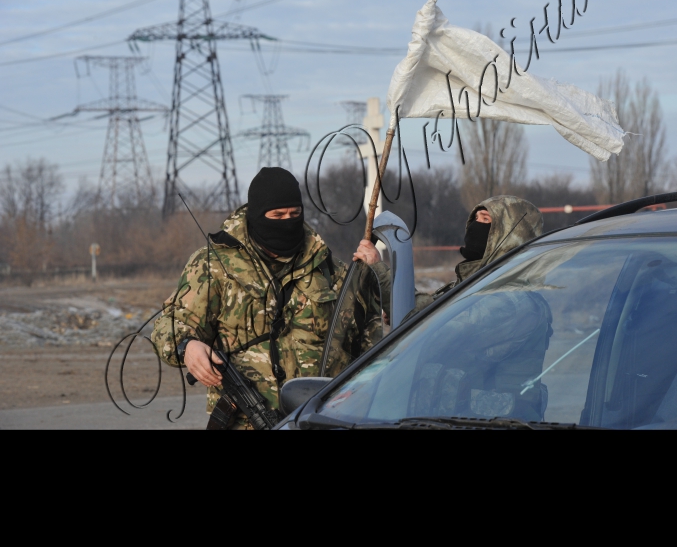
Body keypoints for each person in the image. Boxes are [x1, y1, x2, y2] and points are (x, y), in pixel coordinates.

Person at [151, 167, 381, 429]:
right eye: (278, 215)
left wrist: (375, 275)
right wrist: (187, 347)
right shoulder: (213, 265)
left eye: (295, 214)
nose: (288, 221)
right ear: (258, 216)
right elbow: (167, 326)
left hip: (318, 418)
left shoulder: (326, 267)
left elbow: (374, 331)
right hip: (245, 421)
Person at [354, 195, 544, 322]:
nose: (475, 225)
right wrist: (399, 307)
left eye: (485, 220)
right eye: (475, 218)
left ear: (508, 236)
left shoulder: (512, 300)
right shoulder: (476, 284)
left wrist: (381, 272)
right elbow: (430, 309)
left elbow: (434, 324)